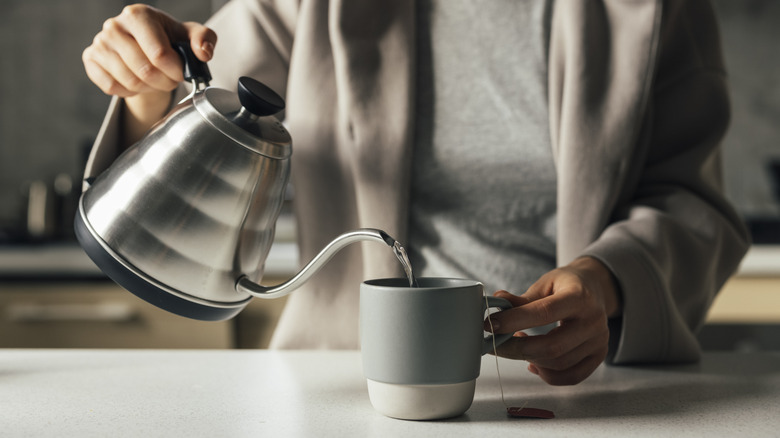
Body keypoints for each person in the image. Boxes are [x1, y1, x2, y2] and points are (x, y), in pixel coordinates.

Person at [81, 0, 750, 386]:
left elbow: (691, 201)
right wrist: (146, 80)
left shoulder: (657, 9)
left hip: (573, 391)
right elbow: (198, 108)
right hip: (344, 385)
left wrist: (607, 284)